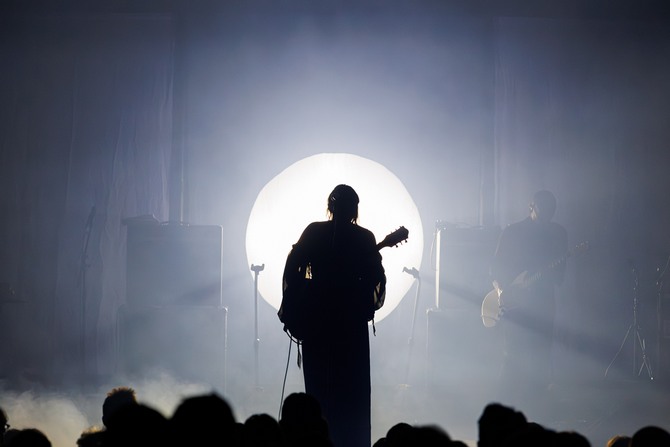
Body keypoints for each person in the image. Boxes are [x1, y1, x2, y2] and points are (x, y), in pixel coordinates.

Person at [280, 184, 387, 447]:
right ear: (355, 209)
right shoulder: (365, 238)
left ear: (330, 206)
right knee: (353, 392)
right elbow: (375, 278)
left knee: (318, 389)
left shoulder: (314, 231)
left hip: (317, 323)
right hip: (350, 326)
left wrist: (298, 304)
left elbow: (292, 268)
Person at [489, 190, 568, 411]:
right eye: (544, 209)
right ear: (531, 206)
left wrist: (546, 273)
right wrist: (502, 290)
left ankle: (537, 413)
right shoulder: (512, 232)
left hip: (543, 304)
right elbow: (495, 269)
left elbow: (559, 276)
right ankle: (501, 413)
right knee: (512, 356)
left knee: (541, 357)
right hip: (515, 305)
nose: (548, 215)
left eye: (552, 210)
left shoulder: (558, 234)